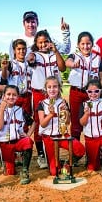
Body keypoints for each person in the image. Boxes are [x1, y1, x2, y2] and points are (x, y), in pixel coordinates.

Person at [27, 30, 66, 169]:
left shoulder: (55, 54)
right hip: (39, 93)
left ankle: (54, 152)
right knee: (39, 123)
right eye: (40, 42)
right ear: (36, 44)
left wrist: (55, 51)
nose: (43, 44)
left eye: (45, 41)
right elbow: (30, 61)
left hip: (55, 92)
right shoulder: (34, 55)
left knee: (58, 118)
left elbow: (62, 68)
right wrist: (30, 57)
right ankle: (42, 154)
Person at [37, 76, 85, 176]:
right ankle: (57, 163)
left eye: (55, 87)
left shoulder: (63, 102)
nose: (52, 89)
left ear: (59, 88)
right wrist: (50, 114)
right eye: (49, 87)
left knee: (80, 149)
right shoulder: (42, 104)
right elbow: (42, 124)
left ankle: (66, 164)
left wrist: (65, 111)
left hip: (62, 135)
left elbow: (67, 122)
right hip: (48, 137)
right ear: (45, 89)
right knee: (54, 172)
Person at [65, 31, 102, 141]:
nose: (85, 46)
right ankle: (76, 151)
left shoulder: (98, 58)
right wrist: (73, 64)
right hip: (76, 92)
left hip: (92, 94)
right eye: (82, 44)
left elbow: (101, 76)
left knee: (93, 119)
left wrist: (101, 90)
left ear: (92, 44)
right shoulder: (74, 55)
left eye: (88, 44)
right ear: (78, 45)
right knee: (76, 122)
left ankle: (94, 151)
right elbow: (67, 62)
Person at [0, 85, 35, 185]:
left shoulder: (20, 110)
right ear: (3, 96)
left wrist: (28, 135)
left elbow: (34, 123)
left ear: (17, 97)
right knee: (10, 173)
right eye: (8, 94)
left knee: (28, 142)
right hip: (5, 144)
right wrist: (2, 110)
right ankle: (14, 159)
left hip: (17, 142)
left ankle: (25, 170)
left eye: (14, 95)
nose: (11, 97)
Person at [79, 79, 102, 178]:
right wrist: (86, 113)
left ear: (100, 91)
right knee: (93, 167)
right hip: (90, 137)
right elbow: (82, 122)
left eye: (96, 91)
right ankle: (96, 158)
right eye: (90, 91)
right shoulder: (83, 104)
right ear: (86, 92)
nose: (93, 94)